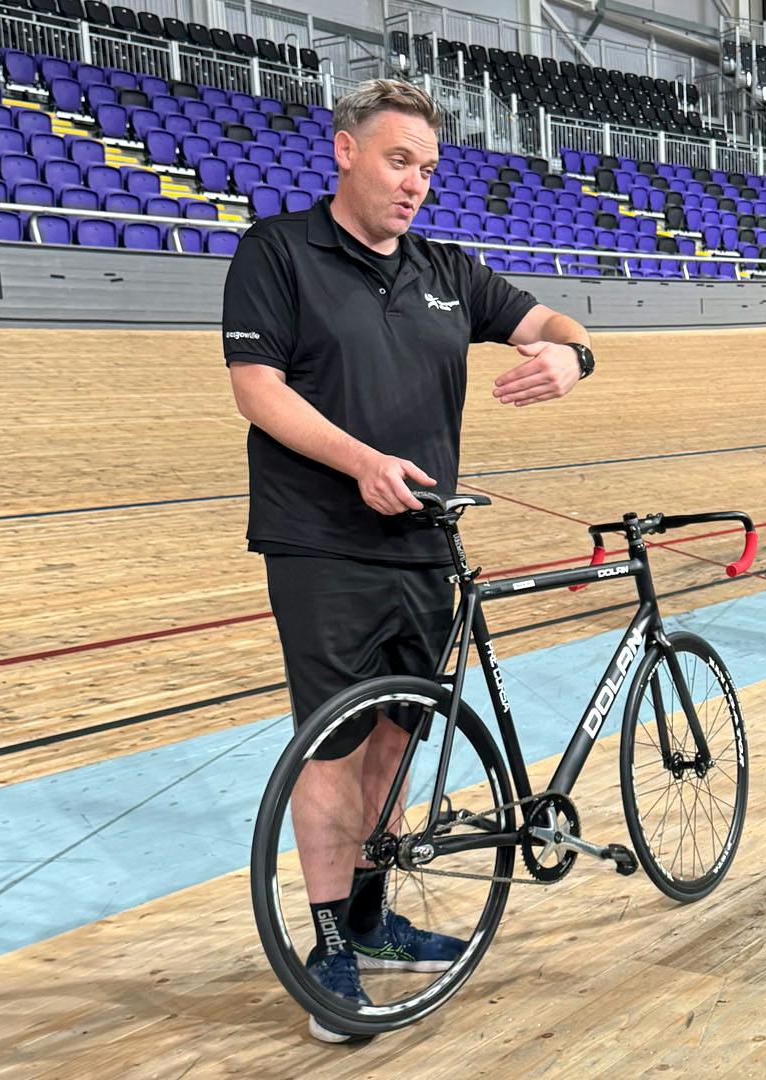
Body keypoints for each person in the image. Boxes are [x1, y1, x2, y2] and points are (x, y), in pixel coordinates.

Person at [222, 79, 596, 1042]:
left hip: (426, 544)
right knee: (333, 743)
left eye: (427, 168)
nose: (416, 183)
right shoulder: (277, 254)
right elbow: (258, 390)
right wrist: (359, 463)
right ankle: (330, 948)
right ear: (344, 151)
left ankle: (371, 916)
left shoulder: (446, 269)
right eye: (398, 160)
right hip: (322, 541)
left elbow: (553, 323)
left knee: (397, 735)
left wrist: (573, 357)